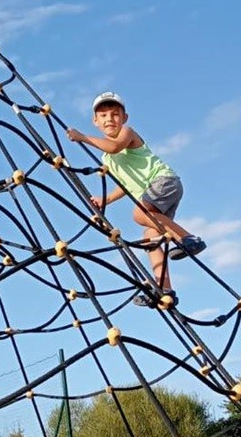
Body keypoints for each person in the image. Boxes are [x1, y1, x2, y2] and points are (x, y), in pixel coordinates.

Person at [66, 91, 205, 305]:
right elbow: (125, 185)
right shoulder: (107, 159)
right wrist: (106, 200)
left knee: (140, 214)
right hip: (154, 192)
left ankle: (188, 239)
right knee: (150, 237)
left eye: (115, 114)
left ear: (125, 118)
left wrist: (82, 137)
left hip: (164, 181)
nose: (110, 119)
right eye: (103, 115)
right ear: (95, 121)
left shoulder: (127, 133)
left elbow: (114, 146)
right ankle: (164, 289)